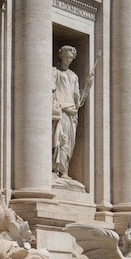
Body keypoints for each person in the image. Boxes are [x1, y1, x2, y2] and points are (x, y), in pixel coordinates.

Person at [51, 45, 90, 178]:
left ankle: (64, 170)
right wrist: (63, 106)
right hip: (61, 110)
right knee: (60, 139)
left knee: (68, 143)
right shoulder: (55, 72)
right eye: (67, 57)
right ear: (61, 56)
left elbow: (78, 100)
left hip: (71, 114)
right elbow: (51, 92)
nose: (69, 60)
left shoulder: (74, 76)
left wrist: (88, 86)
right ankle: (56, 170)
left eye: (71, 58)